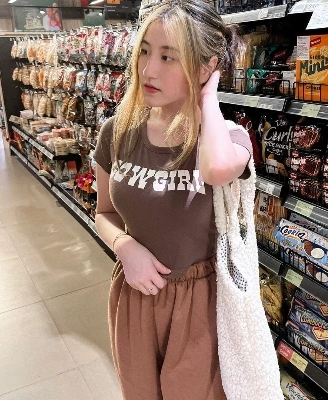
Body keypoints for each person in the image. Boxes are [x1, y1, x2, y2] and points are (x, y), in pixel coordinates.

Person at [94, 0, 253, 398]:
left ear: (203, 67)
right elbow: (104, 212)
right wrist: (123, 246)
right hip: (135, 295)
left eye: (168, 57)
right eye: (145, 51)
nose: (148, 70)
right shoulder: (117, 132)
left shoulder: (228, 139)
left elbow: (218, 169)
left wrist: (208, 97)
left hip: (200, 307)